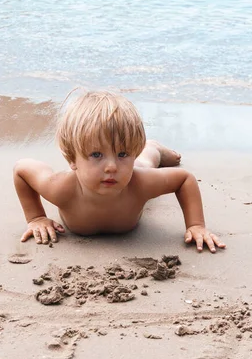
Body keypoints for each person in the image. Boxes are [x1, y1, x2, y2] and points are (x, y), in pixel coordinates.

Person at [13, 90, 225, 253]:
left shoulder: (140, 182)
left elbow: (184, 179)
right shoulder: (60, 188)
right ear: (71, 159)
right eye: (96, 155)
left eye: (123, 154)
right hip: (98, 171)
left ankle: (152, 148)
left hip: (139, 170)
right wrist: (36, 217)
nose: (112, 166)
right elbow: (22, 169)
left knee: (145, 162)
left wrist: (196, 225)